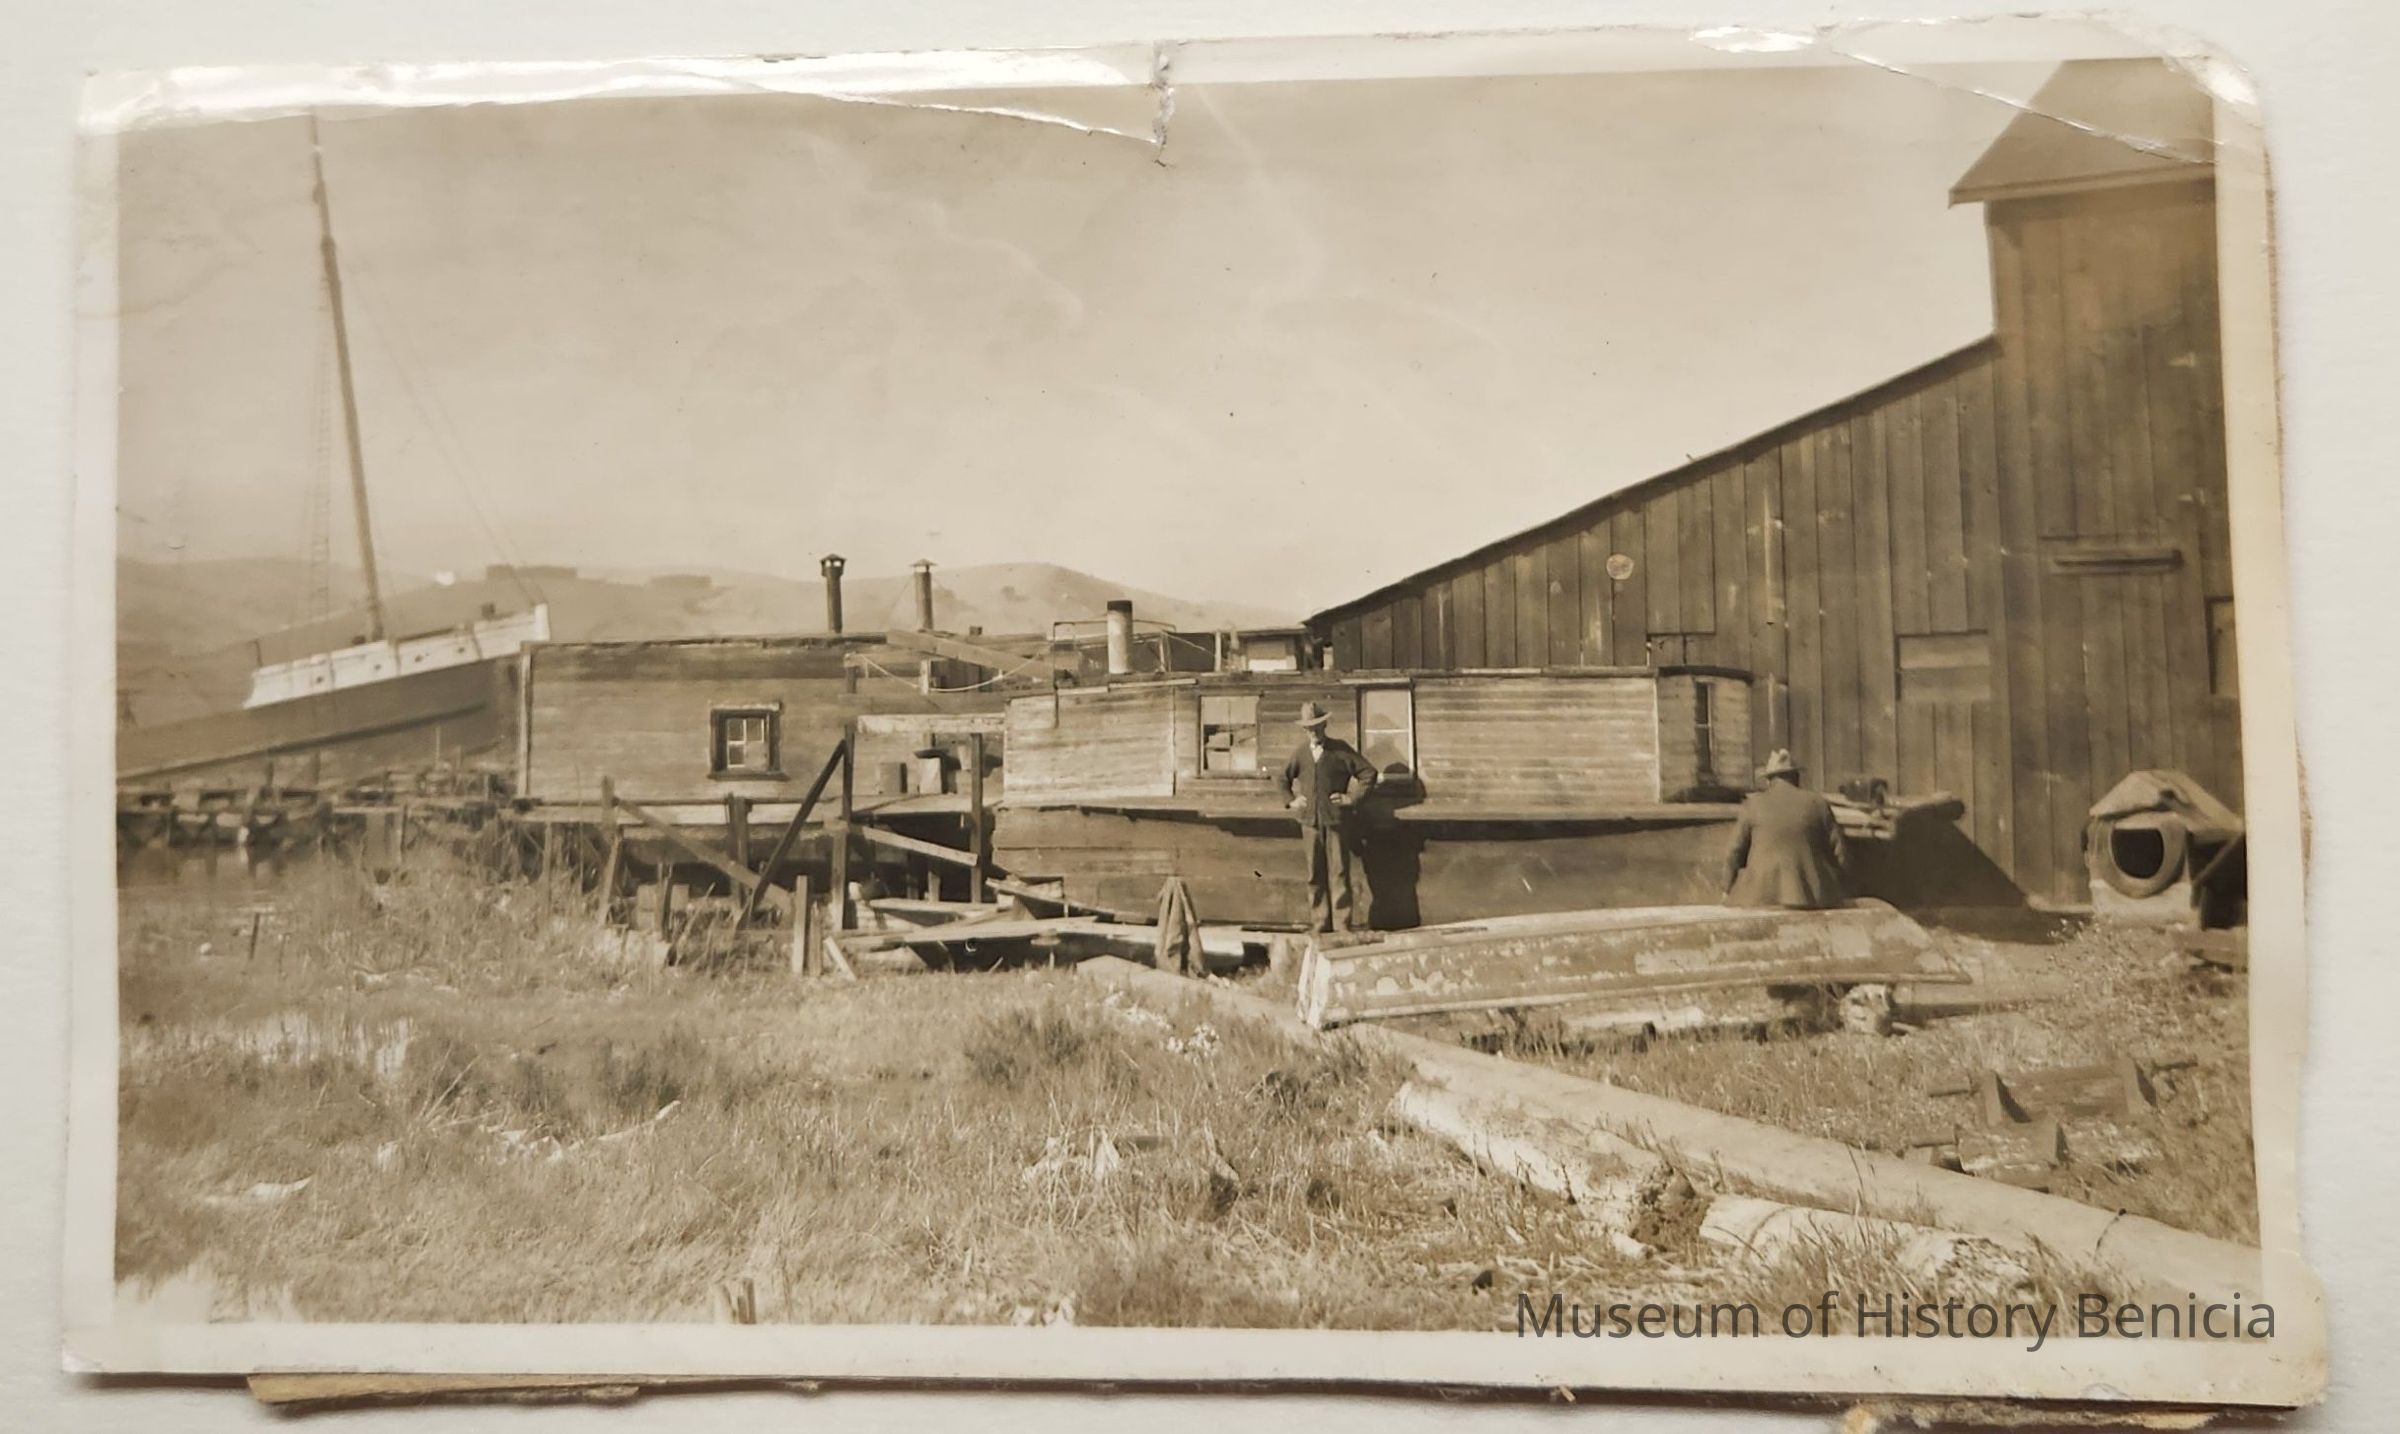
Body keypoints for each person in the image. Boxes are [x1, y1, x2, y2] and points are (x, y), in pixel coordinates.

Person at [1277, 701, 1379, 933]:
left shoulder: (1340, 750)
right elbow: (1282, 778)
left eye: (1316, 726)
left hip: (1335, 822)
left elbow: (1368, 773)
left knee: (1339, 873)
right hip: (1309, 824)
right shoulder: (1301, 753)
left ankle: (1342, 926)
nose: (1312, 731)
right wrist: (1291, 800)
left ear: (1324, 725)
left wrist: (1352, 798)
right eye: (1308, 728)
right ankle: (1320, 924)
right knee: (1314, 874)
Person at [1721, 749, 1848, 909]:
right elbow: (1840, 853)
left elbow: (1734, 852)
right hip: (1811, 897)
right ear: (1796, 777)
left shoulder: (1753, 805)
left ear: (1769, 781)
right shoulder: (1818, 803)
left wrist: (1726, 888)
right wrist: (1838, 886)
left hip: (1760, 896)